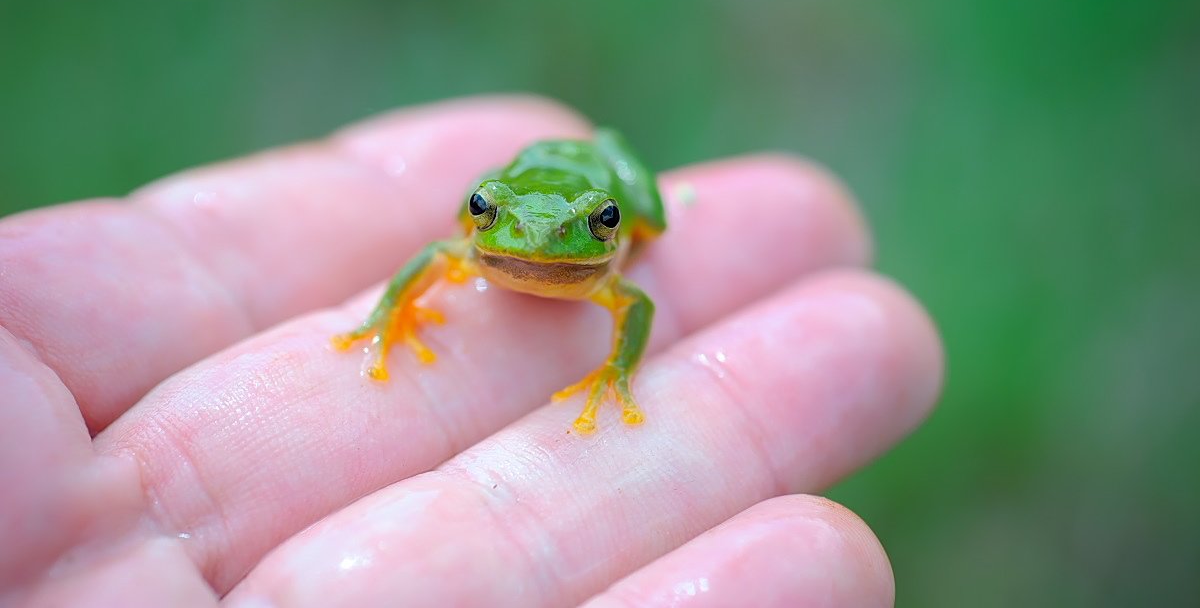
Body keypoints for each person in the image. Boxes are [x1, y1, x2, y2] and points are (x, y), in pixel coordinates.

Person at [0, 96, 943, 607]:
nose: (515, 244)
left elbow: (637, 304)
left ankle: (603, 201)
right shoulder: (470, 245)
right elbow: (434, 258)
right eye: (484, 214)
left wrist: (617, 365)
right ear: (476, 215)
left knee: (628, 201)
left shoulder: (607, 265)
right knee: (500, 227)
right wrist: (387, 318)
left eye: (598, 229)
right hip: (539, 179)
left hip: (585, 176)